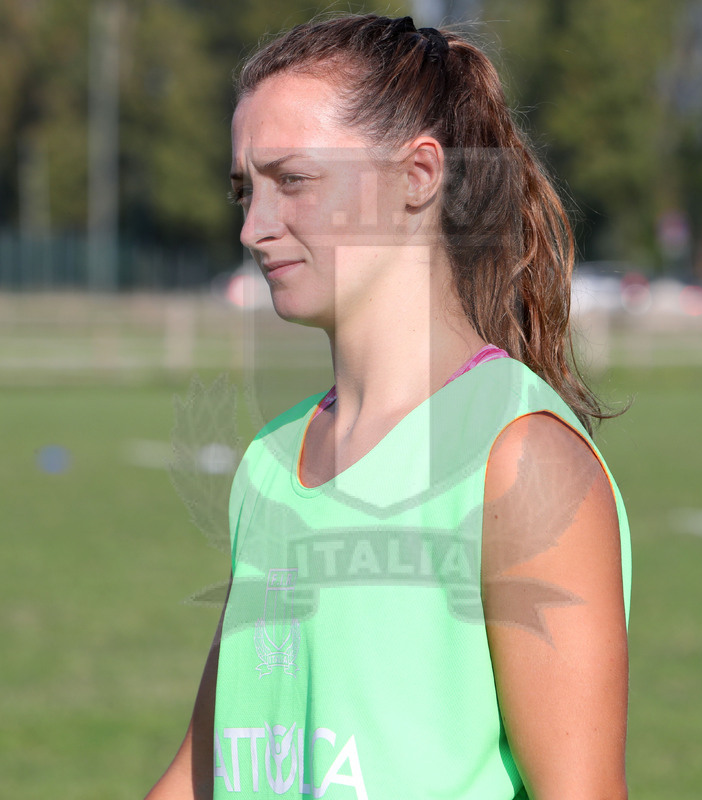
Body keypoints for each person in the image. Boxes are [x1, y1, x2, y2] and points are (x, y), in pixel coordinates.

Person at [146, 13, 631, 800]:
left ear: (417, 176)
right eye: (245, 190)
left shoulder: (517, 456)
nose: (253, 227)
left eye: (292, 180)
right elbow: (205, 774)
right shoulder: (270, 463)